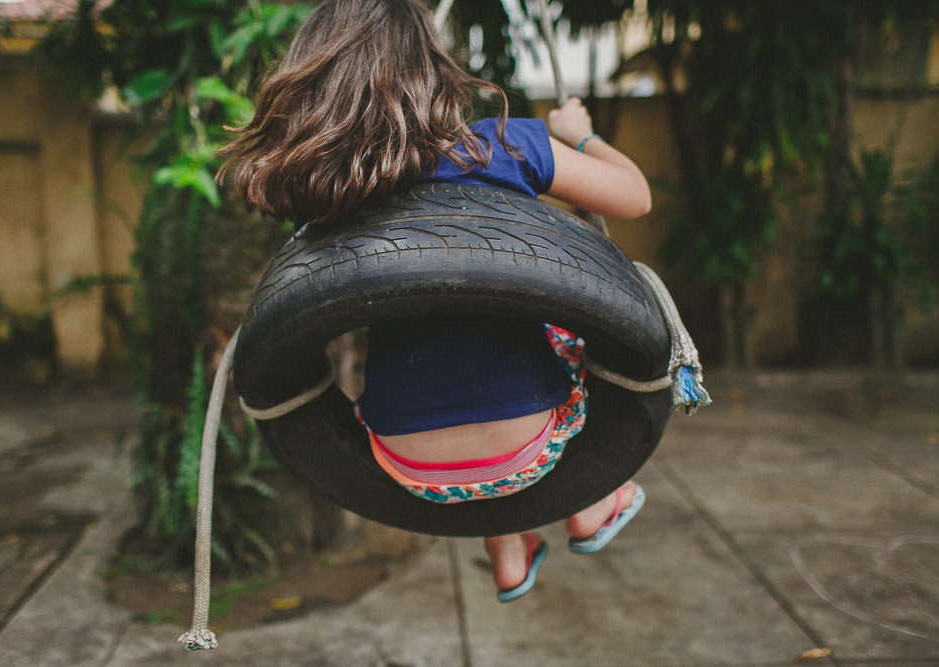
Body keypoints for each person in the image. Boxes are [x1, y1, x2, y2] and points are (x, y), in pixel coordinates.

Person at [219, 0, 652, 602]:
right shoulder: (501, 144)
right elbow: (634, 197)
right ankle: (593, 504)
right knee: (558, 329)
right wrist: (581, 134)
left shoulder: (331, 184)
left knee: (449, 356)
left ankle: (508, 548)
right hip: (527, 444)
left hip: (404, 461)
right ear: (433, 68)